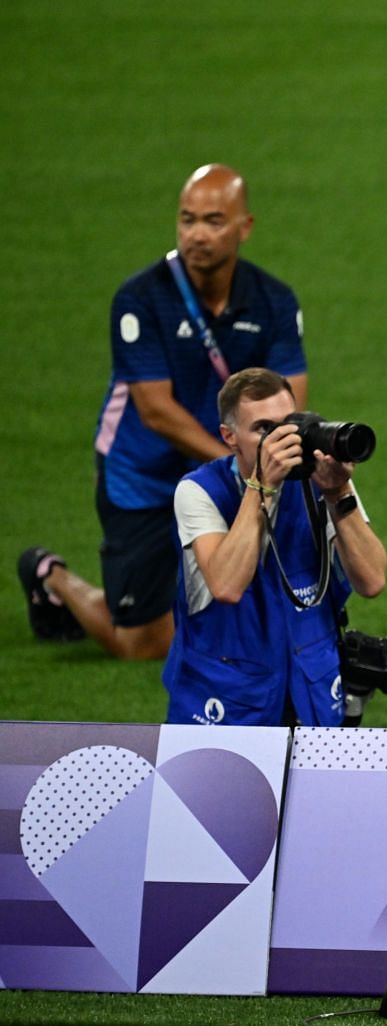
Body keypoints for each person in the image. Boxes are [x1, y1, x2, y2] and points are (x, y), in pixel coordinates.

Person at [18, 164, 307, 660]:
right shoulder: (141, 299)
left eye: (214, 221)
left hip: (229, 468)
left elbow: (289, 400)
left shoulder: (275, 302)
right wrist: (247, 469)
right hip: (143, 476)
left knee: (253, 612)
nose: (197, 234)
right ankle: (53, 576)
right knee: (142, 644)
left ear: (245, 227)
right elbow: (155, 410)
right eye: (187, 219)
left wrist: (262, 465)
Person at [162, 368, 385, 727]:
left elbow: (372, 580)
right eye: (264, 429)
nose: (282, 439)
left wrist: (338, 493)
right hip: (225, 702)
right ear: (229, 437)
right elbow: (227, 585)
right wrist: (260, 487)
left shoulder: (321, 480)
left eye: (288, 423)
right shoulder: (198, 491)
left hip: (311, 692)